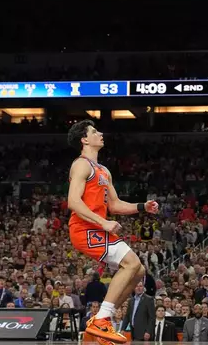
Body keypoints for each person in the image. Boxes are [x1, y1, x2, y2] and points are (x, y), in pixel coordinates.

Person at [66, 120, 158, 345]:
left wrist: (140, 206)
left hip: (96, 226)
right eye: (94, 131)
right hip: (84, 228)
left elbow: (115, 205)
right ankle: (101, 320)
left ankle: (99, 322)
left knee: (138, 271)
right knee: (131, 263)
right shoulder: (81, 165)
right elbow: (73, 201)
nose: (100, 133)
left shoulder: (104, 170)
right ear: (84, 139)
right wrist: (104, 223)